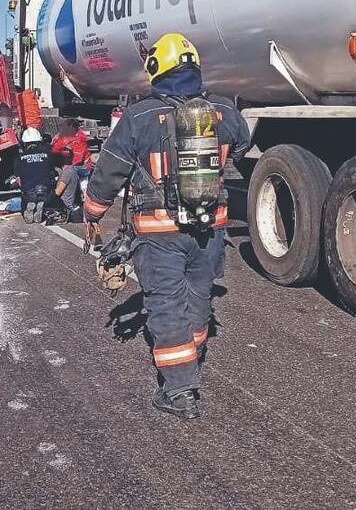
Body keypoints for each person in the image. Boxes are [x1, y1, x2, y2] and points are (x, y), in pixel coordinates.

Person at [82, 32, 250, 420]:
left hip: (160, 233)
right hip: (210, 229)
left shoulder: (139, 116)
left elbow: (109, 173)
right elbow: (240, 149)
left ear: (156, 68)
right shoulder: (223, 110)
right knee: (198, 297)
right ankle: (192, 358)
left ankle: (179, 391)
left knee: (166, 304)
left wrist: (93, 213)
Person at [15, 127, 53, 223]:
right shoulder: (47, 155)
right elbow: (52, 171)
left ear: (24, 143)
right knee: (46, 186)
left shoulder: (20, 158)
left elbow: (18, 179)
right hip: (44, 190)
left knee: (26, 192)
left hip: (28, 191)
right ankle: (41, 202)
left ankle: (30, 202)